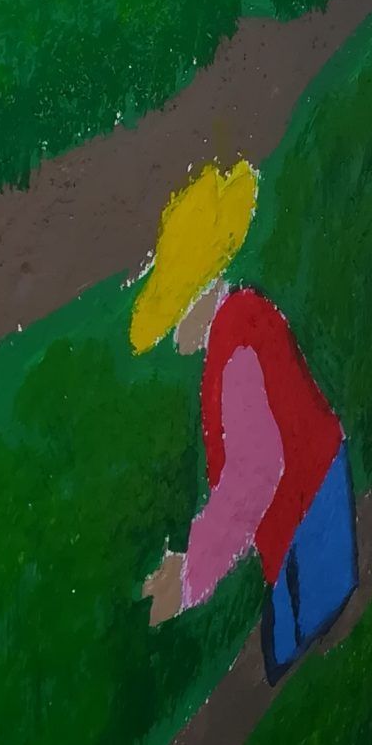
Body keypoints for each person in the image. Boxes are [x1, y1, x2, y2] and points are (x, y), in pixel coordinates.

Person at [132, 161, 357, 682]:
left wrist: (190, 577)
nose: (170, 334)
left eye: (172, 309)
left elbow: (253, 477)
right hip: (317, 496)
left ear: (194, 298)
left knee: (291, 658)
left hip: (307, 517)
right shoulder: (248, 313)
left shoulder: (231, 350)